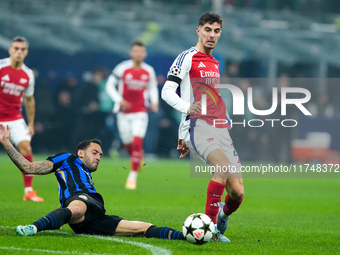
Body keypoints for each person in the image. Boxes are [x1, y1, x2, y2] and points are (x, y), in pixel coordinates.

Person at [0, 124, 185, 241]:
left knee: (142, 228)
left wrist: (61, 215)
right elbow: (28, 167)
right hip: (80, 206)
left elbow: (66, 192)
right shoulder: (66, 159)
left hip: (96, 214)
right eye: (94, 152)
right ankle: (32, 228)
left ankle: (186, 236)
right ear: (80, 152)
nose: (98, 157)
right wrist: (7, 143)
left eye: (100, 155)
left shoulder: (85, 174)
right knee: (78, 207)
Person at [161, 12, 244, 242]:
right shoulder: (187, 57)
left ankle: (222, 218)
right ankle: (211, 232)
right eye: (208, 29)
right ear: (198, 31)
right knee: (223, 167)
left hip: (220, 129)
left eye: (217, 31)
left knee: (237, 193)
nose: (212, 35)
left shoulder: (215, 62)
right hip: (199, 127)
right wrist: (186, 113)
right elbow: (167, 91)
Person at [106, 41, 159, 190]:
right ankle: (137, 157)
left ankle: (132, 178)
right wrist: (119, 100)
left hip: (141, 112)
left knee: (137, 142)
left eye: (141, 51)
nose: (138, 54)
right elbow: (109, 85)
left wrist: (154, 102)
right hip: (123, 113)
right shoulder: (122, 68)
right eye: (136, 51)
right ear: (131, 53)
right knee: (129, 145)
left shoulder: (149, 70)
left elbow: (153, 88)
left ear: (145, 54)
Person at [0, 36, 43, 202]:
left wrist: (31, 123)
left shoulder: (28, 74)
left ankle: (29, 191)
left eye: (22, 49)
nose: (19, 52)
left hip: (14, 118)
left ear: (26, 52)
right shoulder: (1, 67)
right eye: (16, 48)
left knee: (26, 150)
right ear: (10, 50)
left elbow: (29, 100)